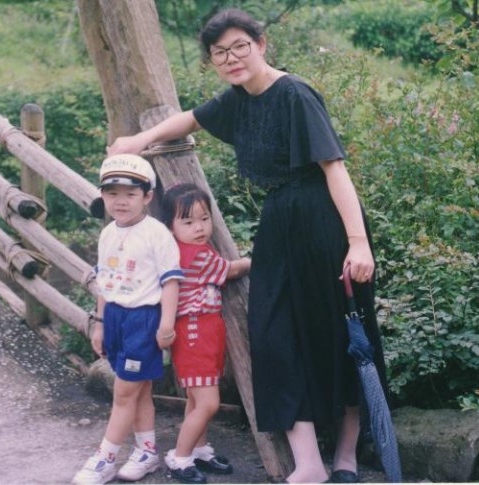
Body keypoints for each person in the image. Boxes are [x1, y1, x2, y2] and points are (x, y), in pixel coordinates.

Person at [107, 8, 388, 484]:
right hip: (279, 224)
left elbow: (335, 169)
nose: (231, 58)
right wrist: (139, 139)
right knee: (272, 335)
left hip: (326, 223)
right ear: (212, 61)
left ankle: (346, 456)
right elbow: (190, 120)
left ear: (261, 45)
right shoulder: (238, 99)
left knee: (338, 332)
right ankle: (309, 464)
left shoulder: (295, 94)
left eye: (240, 46)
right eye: (220, 53)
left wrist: (358, 244)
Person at [72, 154, 183, 485]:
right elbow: (104, 282)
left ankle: (104, 459)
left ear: (147, 197)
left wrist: (166, 324)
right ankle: (147, 452)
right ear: (102, 195)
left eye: (130, 194)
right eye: (112, 193)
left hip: (143, 320)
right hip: (115, 318)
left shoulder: (156, 234)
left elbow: (171, 282)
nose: (120, 201)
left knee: (123, 393)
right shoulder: (108, 233)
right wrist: (100, 323)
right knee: (140, 390)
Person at [161, 183, 251, 484]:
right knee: (209, 403)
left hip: (202, 332)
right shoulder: (195, 255)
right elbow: (230, 270)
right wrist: (254, 261)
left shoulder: (188, 251)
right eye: (188, 222)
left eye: (204, 218)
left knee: (196, 398)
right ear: (170, 227)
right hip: (195, 334)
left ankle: (198, 449)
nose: (199, 227)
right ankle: (180, 457)